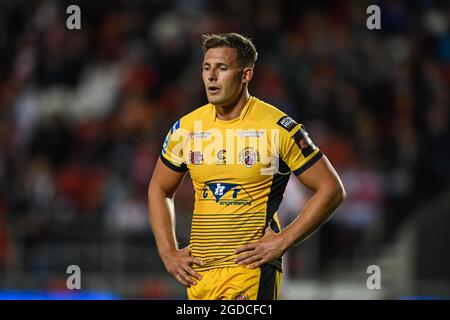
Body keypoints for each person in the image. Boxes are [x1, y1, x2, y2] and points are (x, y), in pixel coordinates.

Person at [148, 33, 346, 300]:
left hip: (250, 272)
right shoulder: (186, 128)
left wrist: (283, 241)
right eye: (206, 68)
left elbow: (331, 189)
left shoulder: (277, 128)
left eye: (222, 68)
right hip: (199, 275)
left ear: (246, 75)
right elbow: (159, 188)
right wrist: (168, 252)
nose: (211, 77)